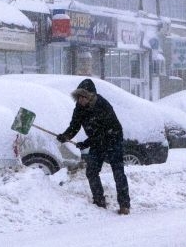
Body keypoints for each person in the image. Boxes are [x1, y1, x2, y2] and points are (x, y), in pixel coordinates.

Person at [55, 78, 131, 215]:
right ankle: (99, 201)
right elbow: (74, 126)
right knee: (91, 171)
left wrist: (86, 143)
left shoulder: (102, 105)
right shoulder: (79, 108)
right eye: (78, 97)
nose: (80, 100)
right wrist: (65, 136)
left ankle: (124, 205)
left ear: (90, 96)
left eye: (83, 97)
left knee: (118, 171)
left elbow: (103, 132)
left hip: (113, 138)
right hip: (97, 141)